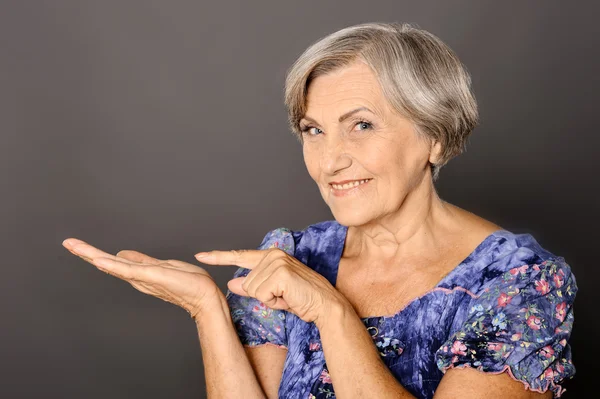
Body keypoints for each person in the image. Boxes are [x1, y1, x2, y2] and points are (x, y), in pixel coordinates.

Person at [62, 22, 577, 399]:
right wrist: (207, 308)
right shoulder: (289, 256)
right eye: (314, 130)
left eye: (362, 125)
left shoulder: (520, 282)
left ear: (436, 140)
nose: (331, 159)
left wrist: (330, 312)